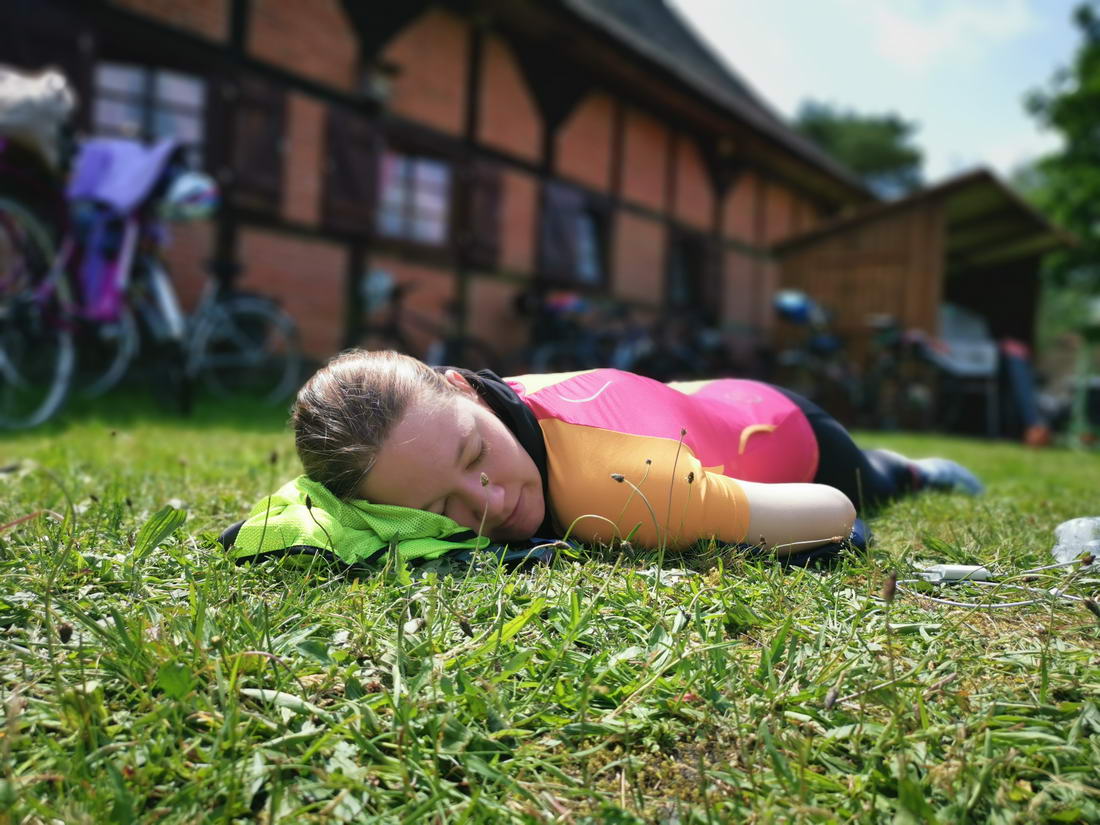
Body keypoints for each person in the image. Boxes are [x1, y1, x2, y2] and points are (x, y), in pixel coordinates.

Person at [284, 349, 982, 558]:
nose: (490, 504)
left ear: (463, 387)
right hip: (691, 407)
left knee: (879, 479)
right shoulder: (448, 418)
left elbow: (834, 512)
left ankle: (919, 468)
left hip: (784, 428)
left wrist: (709, 507)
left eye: (476, 457)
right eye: (441, 507)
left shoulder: (618, 487)